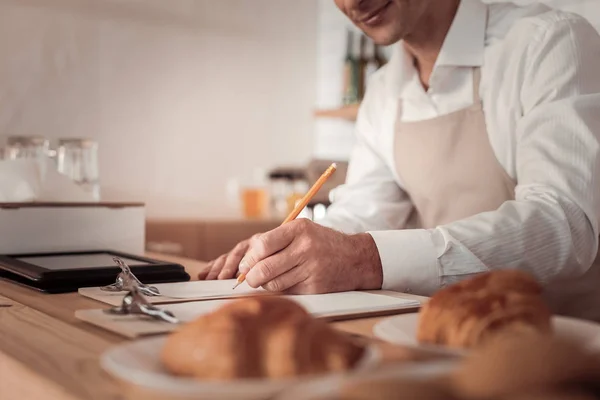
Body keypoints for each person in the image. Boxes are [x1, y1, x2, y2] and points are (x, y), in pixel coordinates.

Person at [200, 0, 600, 320]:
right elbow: (363, 214)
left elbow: (565, 223)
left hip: (562, 343)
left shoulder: (550, 42)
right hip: (444, 333)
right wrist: (285, 250)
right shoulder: (383, 91)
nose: (352, 3)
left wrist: (364, 259)